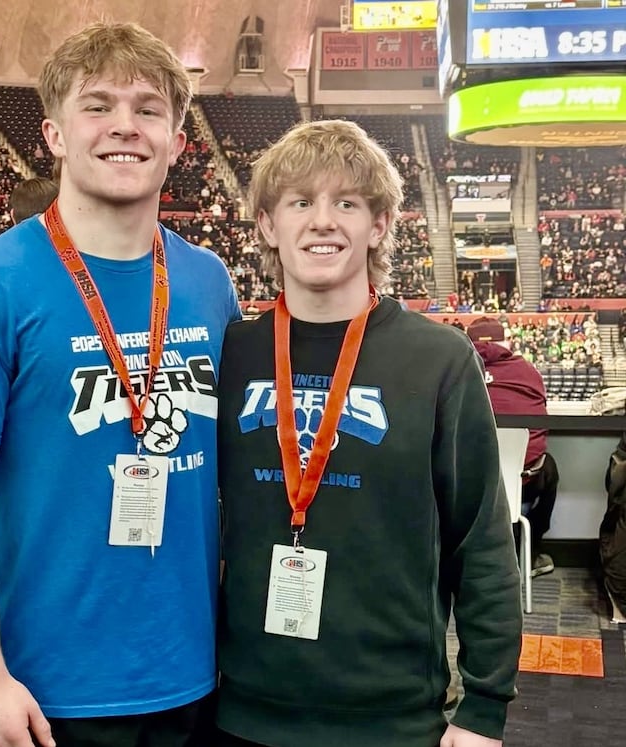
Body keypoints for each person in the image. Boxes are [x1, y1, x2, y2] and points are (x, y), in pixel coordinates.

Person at [0, 22, 240, 747]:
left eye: (150, 109)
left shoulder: (211, 281)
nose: (126, 126)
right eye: (99, 105)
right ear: (54, 134)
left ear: (179, 141)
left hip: (205, 674)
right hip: (52, 690)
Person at [215, 120, 522, 747]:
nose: (322, 221)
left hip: (391, 716)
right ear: (269, 226)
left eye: (346, 203)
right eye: (301, 202)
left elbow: (482, 540)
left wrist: (484, 704)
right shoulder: (233, 354)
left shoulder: (440, 359)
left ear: (378, 225)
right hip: (241, 707)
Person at [467, 317, 560, 577]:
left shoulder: (452, 367)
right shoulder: (527, 371)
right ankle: (528, 556)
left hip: (462, 488)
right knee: (548, 467)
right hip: (521, 484)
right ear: (505, 342)